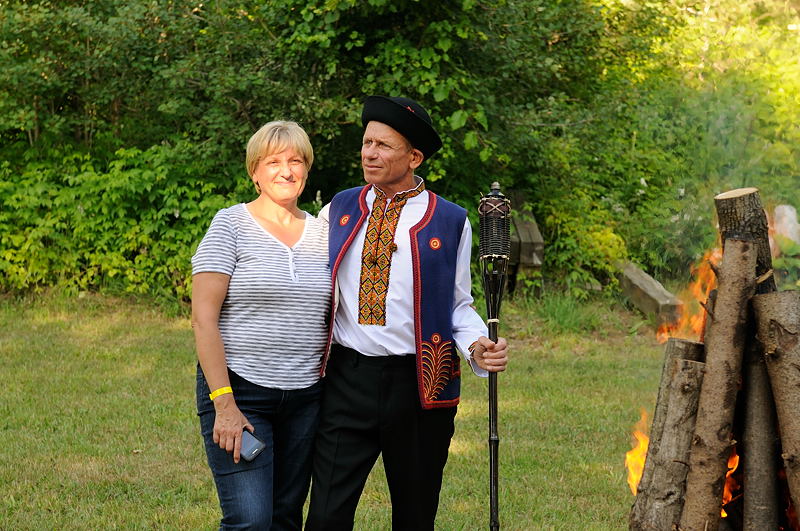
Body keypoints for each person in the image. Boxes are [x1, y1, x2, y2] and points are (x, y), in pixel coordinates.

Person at [305, 96, 509, 531]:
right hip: (346, 381)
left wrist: (477, 345)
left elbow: (457, 303)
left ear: (414, 157)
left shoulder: (449, 220)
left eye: (383, 145)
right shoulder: (338, 209)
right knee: (324, 516)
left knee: (415, 517)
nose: (369, 153)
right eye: (367, 142)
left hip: (418, 385)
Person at [191, 120, 330, 530]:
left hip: (307, 398)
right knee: (250, 521)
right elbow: (203, 319)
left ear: (306, 169)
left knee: (285, 518)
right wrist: (224, 404)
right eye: (273, 162)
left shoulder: (325, 233)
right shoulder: (230, 225)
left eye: (295, 161)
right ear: (255, 172)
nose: (286, 171)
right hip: (241, 391)